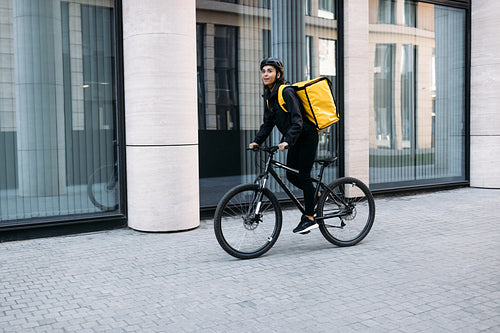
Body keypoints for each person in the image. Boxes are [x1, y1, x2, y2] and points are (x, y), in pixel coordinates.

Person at [249, 57, 319, 234]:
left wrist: (287, 140)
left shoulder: (286, 91)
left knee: (303, 176)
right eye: (263, 71)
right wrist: (257, 141)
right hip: (294, 139)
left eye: (269, 71)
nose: (265, 74)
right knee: (290, 175)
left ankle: (309, 218)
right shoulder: (269, 97)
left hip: (307, 136)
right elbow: (267, 123)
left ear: (278, 74)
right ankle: (316, 195)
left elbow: (298, 120)